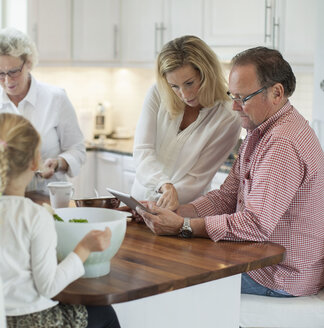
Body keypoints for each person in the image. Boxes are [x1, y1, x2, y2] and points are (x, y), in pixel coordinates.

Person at [136, 47, 324, 297]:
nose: (234, 107)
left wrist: (184, 226)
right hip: (258, 259)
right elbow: (225, 197)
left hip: (276, 274)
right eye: (232, 95)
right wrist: (171, 213)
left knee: (165, 275)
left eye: (243, 98)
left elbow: (255, 225)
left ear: (276, 93)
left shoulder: (282, 143)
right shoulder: (260, 132)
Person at [0, 113, 120, 328]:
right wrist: (84, 248)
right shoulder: (36, 215)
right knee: (104, 312)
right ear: (35, 162)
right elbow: (49, 287)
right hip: (34, 322)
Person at [0, 27, 86, 193]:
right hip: (0, 197)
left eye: (13, 72)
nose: (7, 80)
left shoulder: (56, 98)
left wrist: (58, 162)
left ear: (28, 63)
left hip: (48, 195)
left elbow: (77, 149)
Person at [131, 35, 241, 210]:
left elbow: (197, 178)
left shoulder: (228, 116)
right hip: (139, 202)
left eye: (189, 83)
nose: (184, 94)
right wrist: (163, 185)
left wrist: (167, 197)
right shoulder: (158, 93)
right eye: (174, 86)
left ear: (207, 74)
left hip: (184, 211)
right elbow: (142, 151)